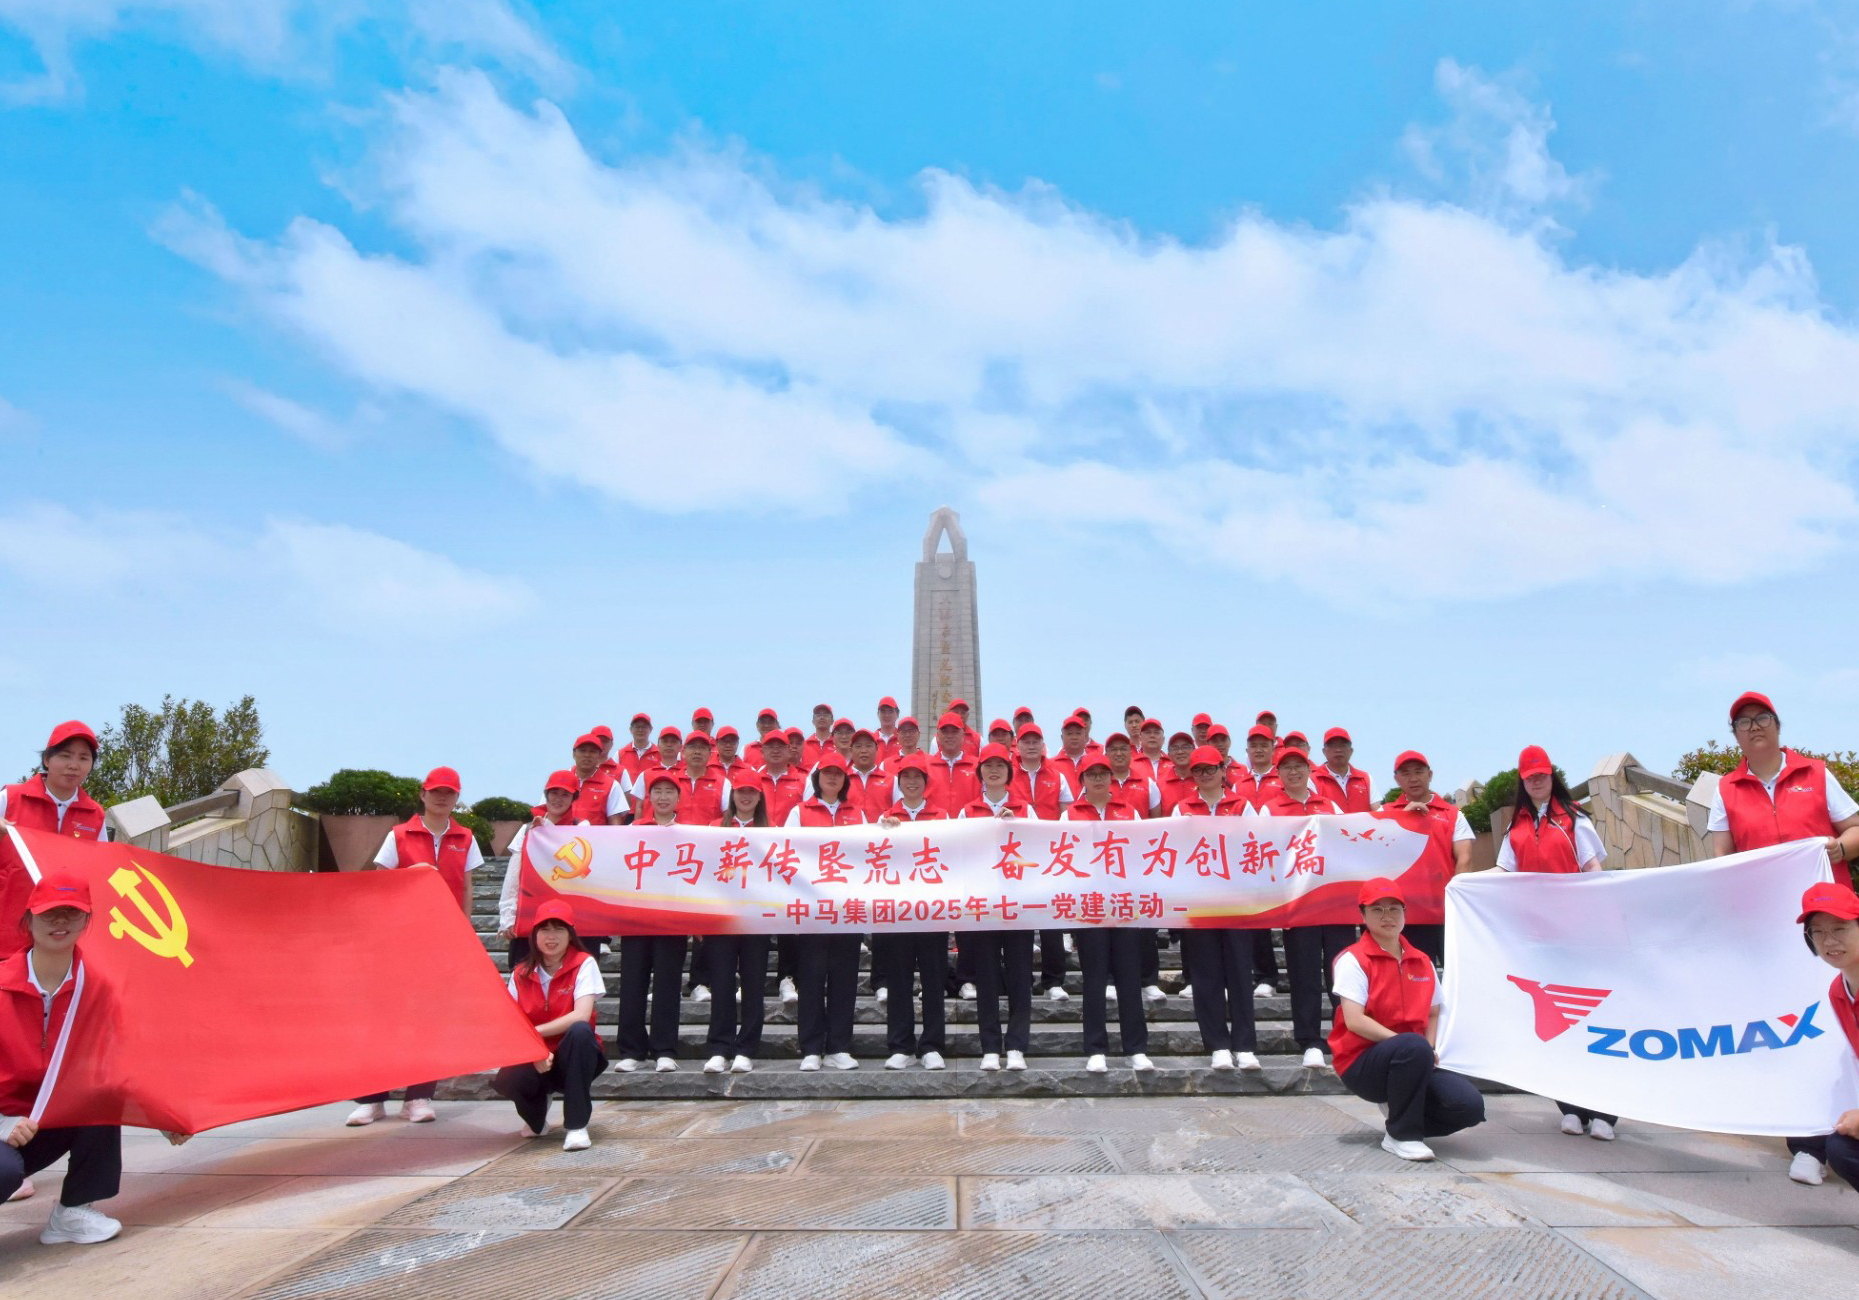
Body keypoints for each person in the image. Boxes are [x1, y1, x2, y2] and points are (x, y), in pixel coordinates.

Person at [1, 874, 186, 1243]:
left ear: (87, 920)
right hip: (5, 1125)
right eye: (49, 913)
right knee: (4, 1172)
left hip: (43, 1123)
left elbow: (119, 1065)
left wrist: (164, 1116)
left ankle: (74, 1210)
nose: (60, 922)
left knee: (102, 1094)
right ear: (28, 919)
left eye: (72, 913)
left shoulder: (97, 988)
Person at [349, 765, 484, 1125]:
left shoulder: (466, 838)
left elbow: (467, 888)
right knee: (384, 1017)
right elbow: (380, 883)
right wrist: (410, 876)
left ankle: (419, 1097)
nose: (442, 797)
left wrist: (464, 932)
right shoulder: (398, 835)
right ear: (423, 794)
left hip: (442, 940)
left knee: (430, 1019)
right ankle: (372, 1099)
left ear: (457, 799)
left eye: (449, 793)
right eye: (435, 791)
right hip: (399, 938)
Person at [1498, 745, 1616, 1139]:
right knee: (1558, 1023)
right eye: (1530, 777)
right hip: (1541, 942)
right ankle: (1570, 1108)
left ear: (1552, 777)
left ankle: (1606, 1112)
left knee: (1595, 1022)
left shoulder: (1575, 820)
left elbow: (1593, 870)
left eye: (1542, 775)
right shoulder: (1515, 828)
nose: (1537, 782)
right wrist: (1463, 884)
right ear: (1522, 781)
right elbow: (1503, 873)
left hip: (1582, 937)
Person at [1330, 877, 1485, 1162]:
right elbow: (1354, 1021)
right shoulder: (1353, 960)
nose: (1387, 916)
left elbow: (1434, 1011)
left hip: (1414, 1055)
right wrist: (1414, 1046)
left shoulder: (1422, 960)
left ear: (1405, 913)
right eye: (1377, 909)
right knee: (1412, 1047)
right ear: (1362, 915)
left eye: (1394, 909)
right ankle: (1402, 1135)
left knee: (1470, 1107)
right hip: (1363, 1062)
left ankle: (1401, 1113)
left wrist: (1428, 1048)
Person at [1171, 747, 1261, 1069]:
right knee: (1205, 974)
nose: (1205, 775)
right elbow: (1174, 851)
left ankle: (1245, 1045)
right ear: (1192, 775)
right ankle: (1217, 1045)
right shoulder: (1182, 809)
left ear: (1223, 770)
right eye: (1199, 770)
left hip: (1237, 901)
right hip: (1200, 903)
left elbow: (1258, 844)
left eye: (1211, 769)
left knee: (1240, 972)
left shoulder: (1242, 805)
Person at [494, 900, 607, 1150]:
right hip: (537, 1058)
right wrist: (534, 1051)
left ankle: (576, 1126)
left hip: (573, 1055)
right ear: (534, 935)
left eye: (559, 929)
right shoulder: (520, 973)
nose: (551, 936)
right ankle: (536, 1116)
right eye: (544, 929)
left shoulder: (584, 963)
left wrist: (535, 1035)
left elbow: (581, 1015)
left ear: (570, 934)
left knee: (580, 1032)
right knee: (509, 1077)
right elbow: (511, 1025)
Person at [1067, 755, 1153, 1074]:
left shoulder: (1129, 812)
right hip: (1089, 906)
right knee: (1094, 978)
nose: (1099, 779)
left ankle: (1136, 1048)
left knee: (1129, 976)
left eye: (1103, 773)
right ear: (1082, 780)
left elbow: (1144, 852)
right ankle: (1095, 1048)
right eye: (1091, 774)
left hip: (1124, 903)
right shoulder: (1069, 815)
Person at [1265, 750, 1349, 1071]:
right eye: (1286, 767)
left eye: (1299, 766)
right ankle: (1310, 1040)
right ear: (1278, 774)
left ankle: (1347, 1036)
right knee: (1304, 975)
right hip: (1298, 905)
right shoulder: (1269, 809)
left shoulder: (1330, 806)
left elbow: (1349, 841)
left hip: (1334, 903)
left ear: (1309, 770)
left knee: (1342, 973)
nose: (1293, 772)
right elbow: (1263, 851)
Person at [1709, 691, 1859, 868]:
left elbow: (1855, 829)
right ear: (1735, 736)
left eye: (1762, 718)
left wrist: (1840, 848)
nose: (1754, 727)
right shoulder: (1725, 790)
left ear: (1778, 726)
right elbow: (1722, 858)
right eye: (1744, 722)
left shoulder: (1816, 773)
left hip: (1822, 886)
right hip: (1762, 887)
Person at [2, 721, 109, 962]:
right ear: (47, 759)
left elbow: (100, 875)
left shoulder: (95, 815)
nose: (74, 765)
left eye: (84, 758)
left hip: (62, 942)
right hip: (6, 938)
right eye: (65, 755)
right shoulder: (11, 798)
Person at [791, 755, 867, 1072]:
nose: (833, 778)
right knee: (811, 979)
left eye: (838, 773)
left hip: (847, 910)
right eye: (827, 773)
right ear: (817, 777)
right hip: (812, 909)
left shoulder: (857, 813)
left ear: (846, 779)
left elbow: (866, 854)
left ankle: (838, 1046)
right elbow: (788, 853)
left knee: (844, 980)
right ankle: (810, 1048)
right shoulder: (800, 812)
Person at [960, 745, 1033, 1070]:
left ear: (1009, 773)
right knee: (986, 978)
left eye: (1000, 766)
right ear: (979, 773)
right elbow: (959, 852)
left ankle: (1016, 1045)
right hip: (984, 905)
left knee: (1019, 976)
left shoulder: (1025, 810)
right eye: (988, 765)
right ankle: (990, 1046)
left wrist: (1017, 825)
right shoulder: (967, 812)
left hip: (1018, 904)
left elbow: (1039, 851)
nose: (993, 771)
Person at [614, 772, 690, 1073]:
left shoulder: (689, 833)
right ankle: (631, 1050)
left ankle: (664, 1049)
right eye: (657, 791)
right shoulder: (633, 830)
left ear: (678, 798)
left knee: (668, 985)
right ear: (648, 797)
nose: (663, 797)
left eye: (669, 792)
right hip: (636, 918)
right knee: (632, 983)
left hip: (672, 920)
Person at [877, 756, 949, 1070]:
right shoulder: (886, 818)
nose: (911, 782)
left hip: (932, 909)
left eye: (917, 777)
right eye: (905, 777)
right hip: (898, 911)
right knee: (899, 980)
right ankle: (901, 1045)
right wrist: (886, 833)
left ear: (925, 782)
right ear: (899, 782)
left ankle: (932, 1045)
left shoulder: (942, 816)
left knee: (933, 979)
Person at [1790, 881, 1859, 1187]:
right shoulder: (1838, 991)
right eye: (1817, 932)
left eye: (1840, 928)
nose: (1829, 941)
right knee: (1842, 1149)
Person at [1378, 751, 1475, 965]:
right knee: (1413, 977)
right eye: (1405, 773)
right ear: (1396, 779)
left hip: (1446, 913)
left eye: (1418, 772)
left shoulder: (1453, 813)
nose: (1413, 778)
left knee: (1455, 974)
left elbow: (1465, 859)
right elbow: (1378, 856)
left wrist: (1456, 901)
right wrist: (1404, 818)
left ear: (1430, 775)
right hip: (1404, 916)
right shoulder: (1384, 813)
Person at [704, 784, 774, 1074]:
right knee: (721, 984)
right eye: (740, 792)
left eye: (752, 793)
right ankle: (719, 1048)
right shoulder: (713, 829)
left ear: (760, 798)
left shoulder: (771, 831)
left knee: (754, 985)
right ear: (732, 796)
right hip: (721, 919)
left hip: (756, 920)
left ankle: (746, 1048)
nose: (746, 797)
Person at [1012, 723, 1075, 1000]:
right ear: (1017, 745)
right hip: (1018, 855)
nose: (1030, 745)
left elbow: (1066, 813)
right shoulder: (1007, 773)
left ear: (1043, 744)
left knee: (1051, 918)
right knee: (1022, 918)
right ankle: (1022, 978)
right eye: (1025, 741)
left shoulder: (1057, 775)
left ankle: (1053, 981)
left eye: (1035, 740)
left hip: (1050, 854)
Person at [500, 770, 583, 970]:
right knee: (524, 974)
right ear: (546, 795)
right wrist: (508, 916)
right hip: (530, 914)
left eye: (565, 794)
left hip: (566, 918)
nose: (558, 799)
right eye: (554, 793)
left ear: (574, 798)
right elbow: (514, 874)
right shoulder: (528, 829)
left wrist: (546, 828)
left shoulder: (582, 828)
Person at [925, 713, 979, 816]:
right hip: (934, 824)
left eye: (955, 731)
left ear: (963, 735)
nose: (950, 736)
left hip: (970, 824)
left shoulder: (977, 766)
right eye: (945, 731)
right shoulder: (925, 766)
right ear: (937, 735)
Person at [1313, 728, 1373, 813]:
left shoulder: (1366, 779)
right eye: (1333, 745)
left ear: (1351, 751)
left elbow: (1377, 810)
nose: (1338, 750)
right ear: (1324, 751)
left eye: (1343, 745)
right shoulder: (1312, 780)